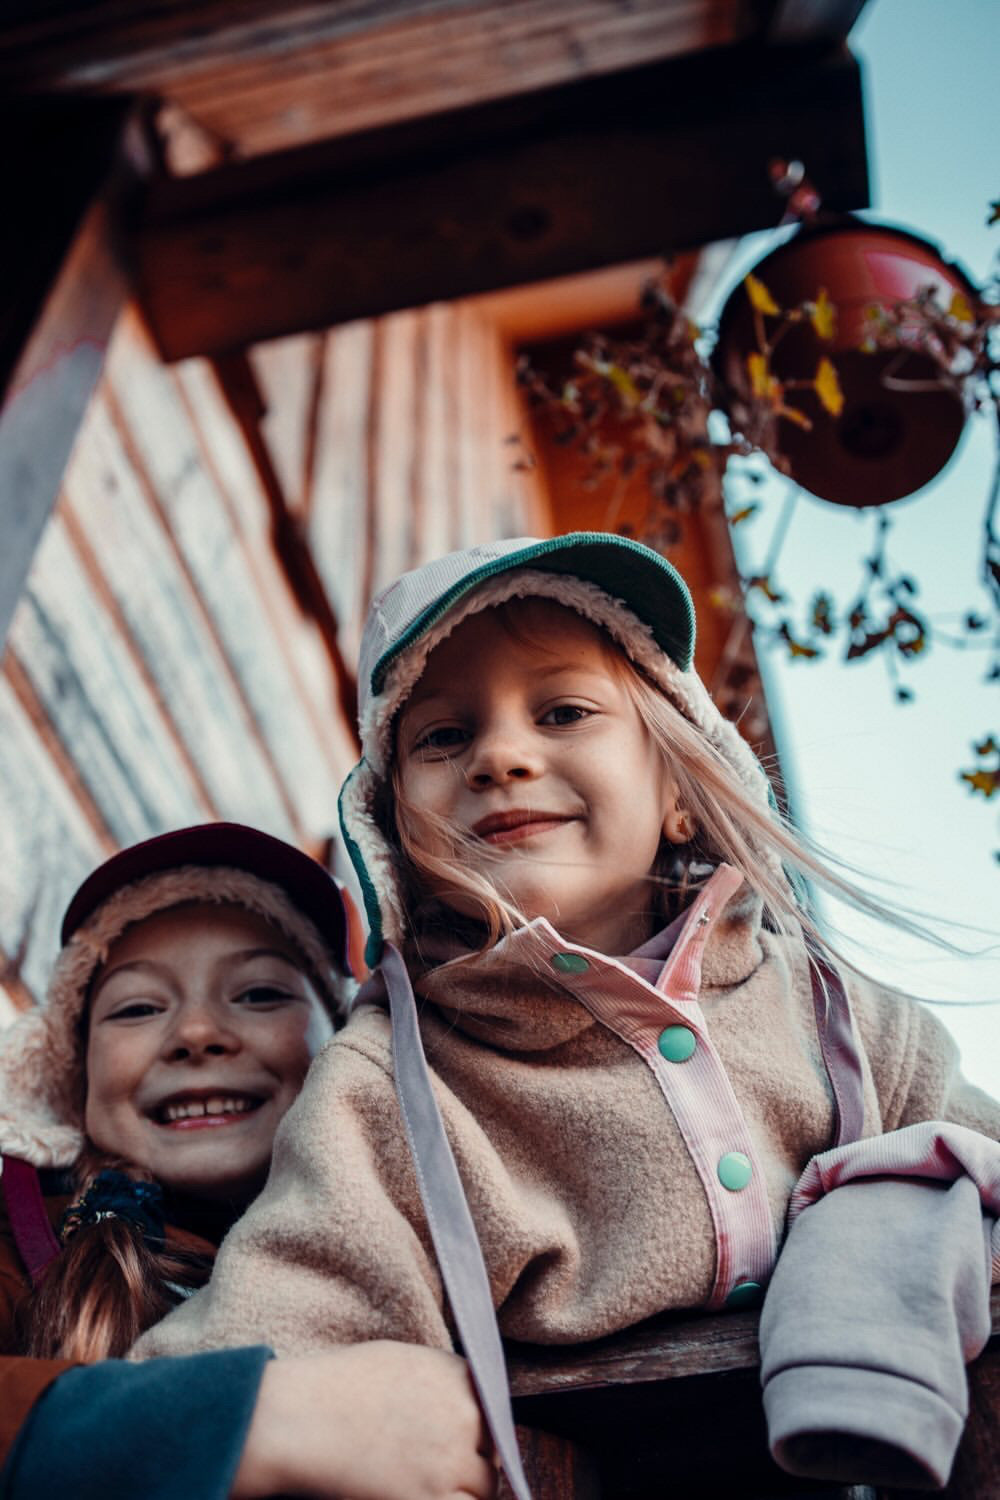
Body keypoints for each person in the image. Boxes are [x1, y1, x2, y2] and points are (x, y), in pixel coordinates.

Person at [136, 535, 1000, 1494]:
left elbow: (980, 1163)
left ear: (679, 790)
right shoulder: (393, 1089)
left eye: (564, 711)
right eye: (443, 737)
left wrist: (880, 1217)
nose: (502, 756)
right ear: (395, 835)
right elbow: (289, 1318)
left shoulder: (838, 1015)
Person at [0, 822, 495, 1500]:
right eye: (138, 1008)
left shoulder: (457, 1231)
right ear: (70, 1076)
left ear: (347, 1043)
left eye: (260, 994)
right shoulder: (16, 1250)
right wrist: (249, 1419)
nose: (197, 1035)